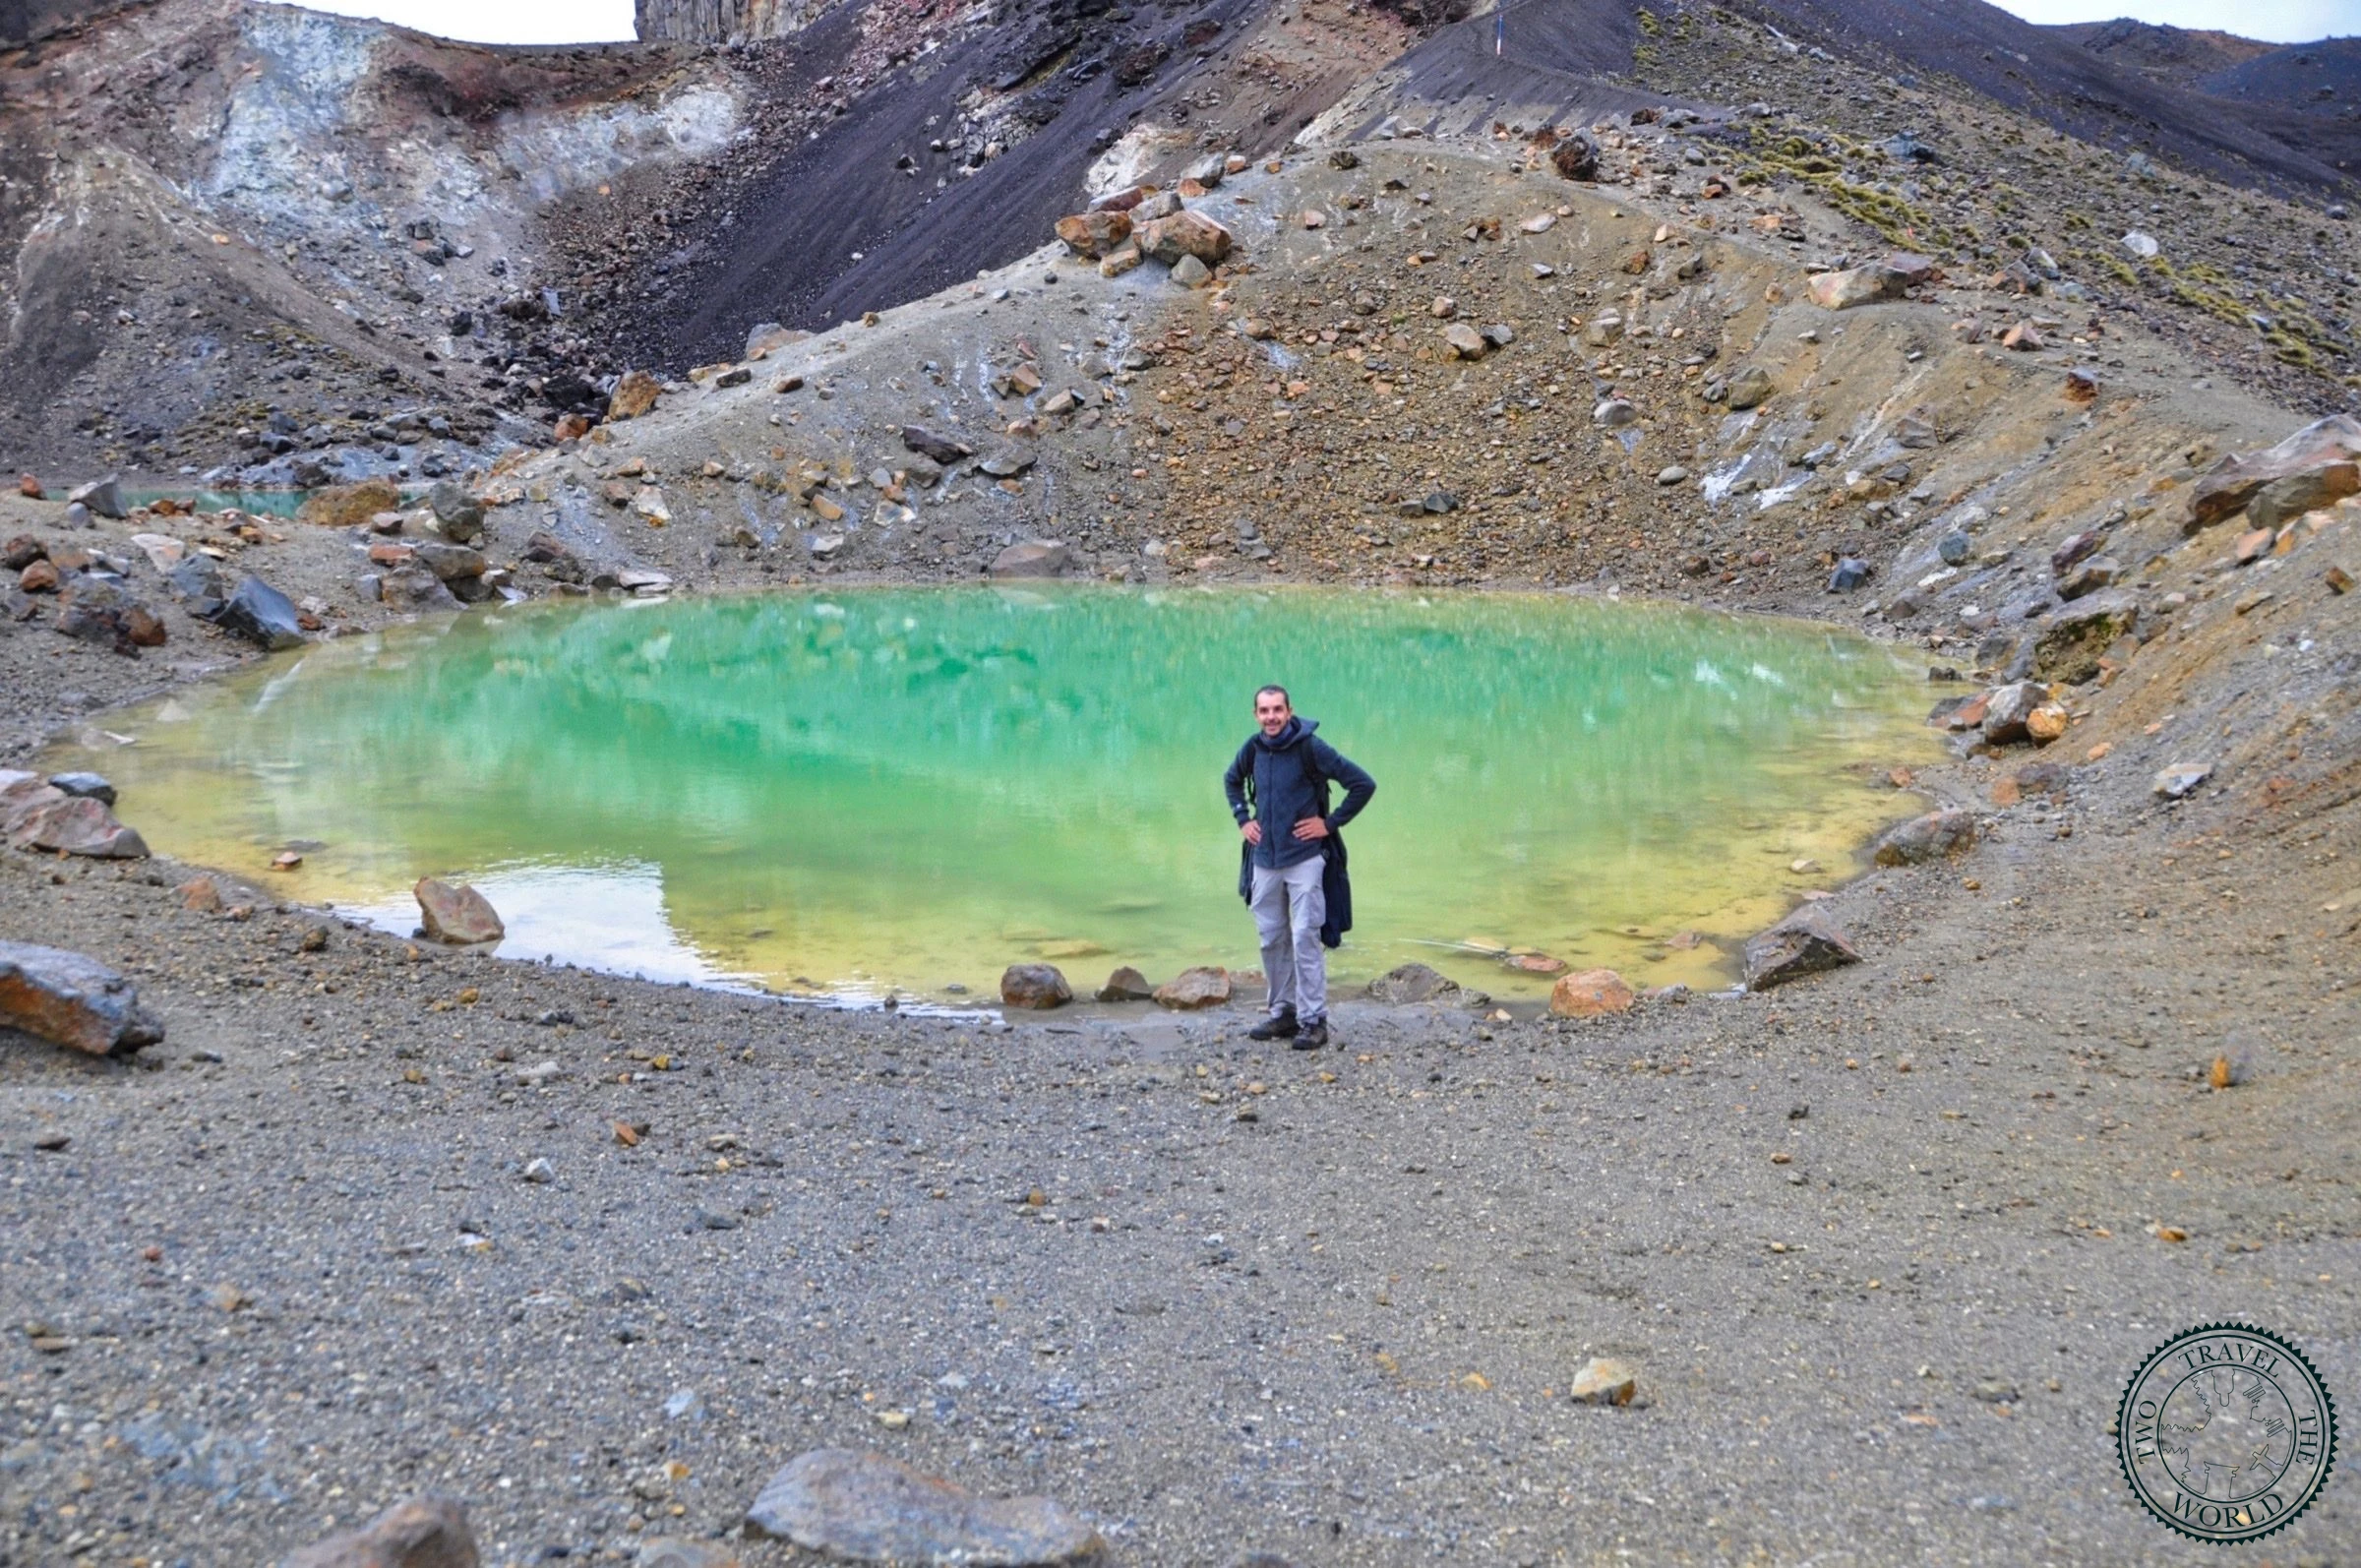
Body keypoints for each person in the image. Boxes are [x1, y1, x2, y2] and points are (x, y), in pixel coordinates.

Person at [1222, 685, 1375, 1050]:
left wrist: (1330, 823)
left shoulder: (1311, 747)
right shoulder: (1252, 748)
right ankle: (1284, 1014)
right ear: (1256, 714)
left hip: (1305, 858)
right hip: (1264, 861)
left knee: (1306, 936)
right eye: (1264, 710)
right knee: (1271, 938)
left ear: (1289, 711)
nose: (1271, 717)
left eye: (1277, 709)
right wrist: (1243, 818)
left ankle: (1314, 1020)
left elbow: (1362, 784)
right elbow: (1231, 781)